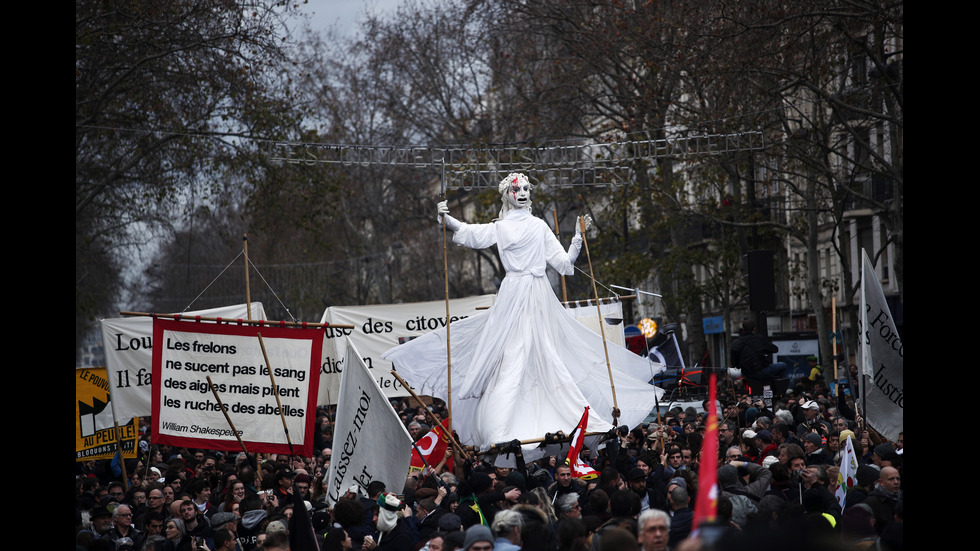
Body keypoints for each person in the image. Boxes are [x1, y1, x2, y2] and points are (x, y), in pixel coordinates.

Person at [382, 173, 663, 452]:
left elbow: (564, 264)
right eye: (517, 190)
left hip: (537, 293)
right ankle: (500, 424)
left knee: (545, 351)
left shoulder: (539, 226)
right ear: (508, 195)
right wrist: (447, 219)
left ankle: (566, 415)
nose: (523, 193)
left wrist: (578, 238)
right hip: (515, 293)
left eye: (527, 188)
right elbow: (473, 233)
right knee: (513, 354)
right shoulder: (501, 227)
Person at [730, 320, 794, 380]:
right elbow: (775, 349)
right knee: (783, 365)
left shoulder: (736, 342)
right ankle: (779, 387)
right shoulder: (758, 339)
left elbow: (734, 362)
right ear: (753, 329)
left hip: (746, 374)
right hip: (761, 371)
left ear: (743, 329)